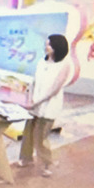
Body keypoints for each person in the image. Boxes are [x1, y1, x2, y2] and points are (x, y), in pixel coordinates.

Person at [17, 34, 73, 177]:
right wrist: (30, 99)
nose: (45, 47)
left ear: (56, 47)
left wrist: (37, 101)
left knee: (41, 137)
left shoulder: (65, 65)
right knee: (28, 133)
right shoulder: (42, 62)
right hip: (34, 104)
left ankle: (46, 164)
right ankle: (26, 158)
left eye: (48, 45)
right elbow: (34, 81)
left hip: (49, 105)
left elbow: (54, 89)